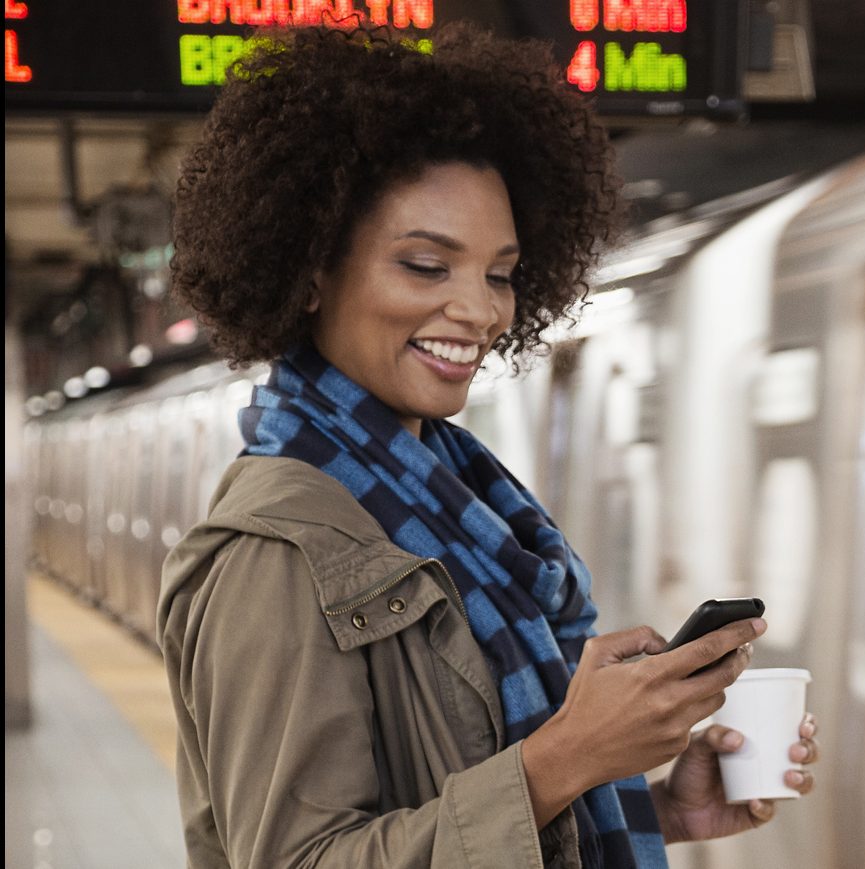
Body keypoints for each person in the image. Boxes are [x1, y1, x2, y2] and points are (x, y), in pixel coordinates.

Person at [157, 24, 818, 868]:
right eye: (427, 266)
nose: (481, 311)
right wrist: (568, 755)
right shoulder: (279, 551)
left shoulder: (454, 502)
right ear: (311, 270)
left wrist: (660, 809)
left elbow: (444, 796)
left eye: (500, 273)